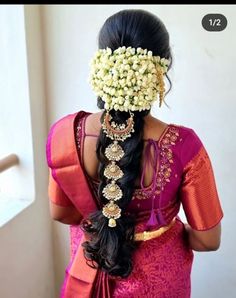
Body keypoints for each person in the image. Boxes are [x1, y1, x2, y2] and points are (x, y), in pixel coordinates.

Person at [46, 9, 224, 298]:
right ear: (158, 74)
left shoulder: (67, 134)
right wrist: (165, 234)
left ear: (104, 67)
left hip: (91, 267)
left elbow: (60, 212)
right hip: (159, 283)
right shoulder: (184, 146)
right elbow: (207, 239)